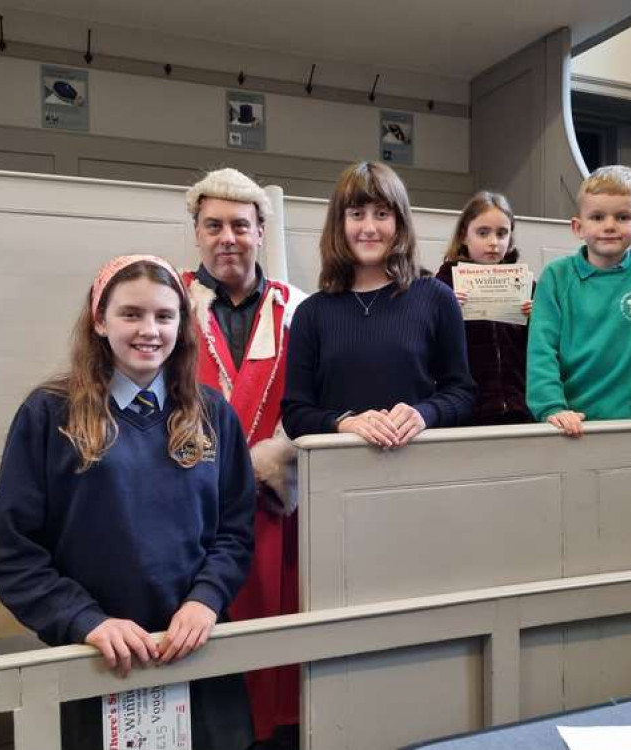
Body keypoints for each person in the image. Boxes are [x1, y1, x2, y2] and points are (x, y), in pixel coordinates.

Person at [0, 255, 255, 750]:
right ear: (99, 319)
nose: (149, 330)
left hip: (194, 650)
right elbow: (14, 553)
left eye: (164, 316)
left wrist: (207, 599)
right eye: (131, 314)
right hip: (96, 659)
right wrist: (86, 621)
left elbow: (235, 531)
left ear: (182, 324)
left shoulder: (212, 413)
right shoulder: (48, 414)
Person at [181, 168, 305, 749]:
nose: (226, 236)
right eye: (214, 225)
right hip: (189, 517)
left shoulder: (299, 309)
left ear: (261, 230)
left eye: (240, 224)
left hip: (277, 514)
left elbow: (314, 400)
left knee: (276, 655)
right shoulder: (169, 304)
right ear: (198, 233)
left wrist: (274, 461)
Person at [283, 161, 476, 445]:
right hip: (337, 476)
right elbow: (295, 414)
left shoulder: (436, 298)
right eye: (357, 214)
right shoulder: (311, 313)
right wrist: (344, 423)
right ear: (340, 224)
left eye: (382, 214)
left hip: (420, 470)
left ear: (399, 224)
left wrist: (424, 414)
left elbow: (462, 393)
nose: (370, 228)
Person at [526, 165, 631, 437]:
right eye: (597, 217)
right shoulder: (556, 276)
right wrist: (551, 407)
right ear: (578, 227)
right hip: (565, 422)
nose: (610, 226)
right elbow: (541, 350)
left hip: (629, 423)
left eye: (623, 216)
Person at [435, 191, 536, 426]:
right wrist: (446, 312)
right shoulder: (441, 287)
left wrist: (536, 319)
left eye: (502, 233)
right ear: (464, 235)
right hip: (466, 412)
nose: (493, 242)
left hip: (518, 408)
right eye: (483, 233)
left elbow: (540, 350)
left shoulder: (526, 286)